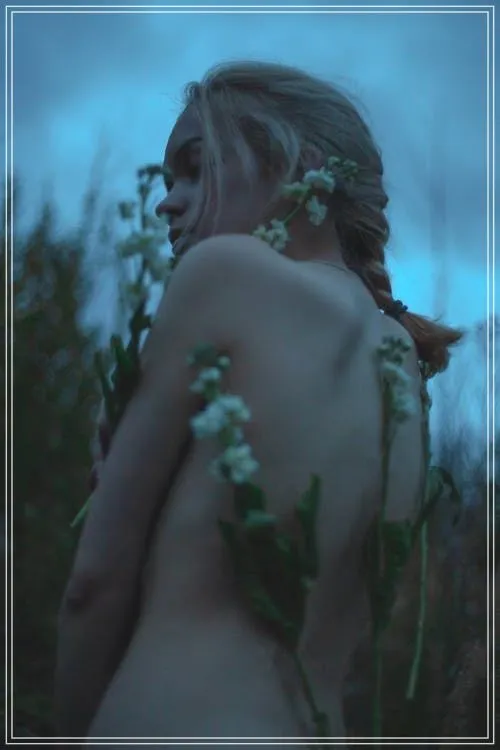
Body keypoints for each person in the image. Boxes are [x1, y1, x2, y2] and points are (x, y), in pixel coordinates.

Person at [55, 61, 463, 747]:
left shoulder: (225, 275)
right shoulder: (402, 362)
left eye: (195, 168)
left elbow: (92, 586)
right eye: (167, 181)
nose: (166, 203)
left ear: (303, 168)